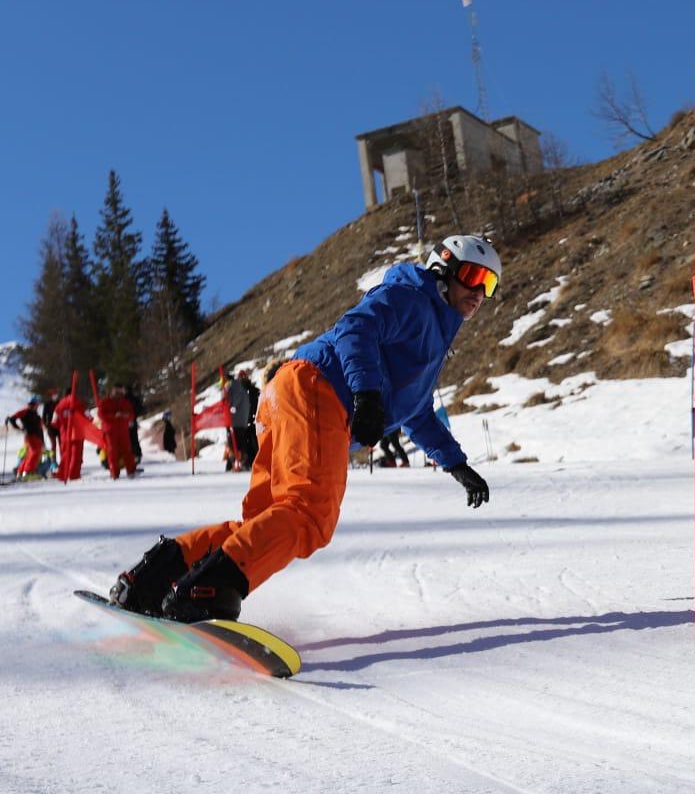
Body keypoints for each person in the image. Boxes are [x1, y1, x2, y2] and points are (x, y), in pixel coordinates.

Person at [107, 234, 502, 622]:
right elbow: (355, 328)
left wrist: (456, 465)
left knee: (266, 522)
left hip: (288, 395)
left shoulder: (433, 337)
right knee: (309, 514)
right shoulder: (413, 298)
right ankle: (206, 592)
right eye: (471, 275)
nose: (479, 292)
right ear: (443, 269)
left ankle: (156, 578)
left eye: (489, 284)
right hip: (320, 390)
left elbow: (416, 412)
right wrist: (365, 393)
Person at [98, 384, 137, 478]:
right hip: (110, 431)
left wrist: (125, 416)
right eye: (116, 392)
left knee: (127, 451)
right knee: (112, 452)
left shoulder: (125, 402)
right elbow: (101, 415)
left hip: (123, 430)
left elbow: (132, 415)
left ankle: (131, 471)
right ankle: (114, 473)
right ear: (111, 391)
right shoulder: (104, 402)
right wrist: (114, 416)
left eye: (120, 392)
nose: (118, 394)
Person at [227, 368, 261, 469]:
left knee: (252, 445)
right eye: (240, 377)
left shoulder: (254, 391)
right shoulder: (236, 392)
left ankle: (250, 464)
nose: (242, 378)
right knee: (238, 446)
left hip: (251, 423)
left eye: (243, 376)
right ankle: (237, 464)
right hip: (240, 424)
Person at [52, 385, 87, 482]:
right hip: (77, 433)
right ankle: (73, 475)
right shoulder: (79, 403)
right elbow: (88, 418)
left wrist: (63, 427)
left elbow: (54, 422)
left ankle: (63, 474)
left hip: (64, 434)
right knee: (76, 456)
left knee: (65, 455)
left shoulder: (59, 405)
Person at [8, 397, 47, 478]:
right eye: (32, 404)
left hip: (37, 437)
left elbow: (40, 430)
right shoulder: (25, 412)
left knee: (31, 454)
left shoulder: (37, 415)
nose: (34, 406)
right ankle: (28, 472)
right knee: (34, 453)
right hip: (30, 436)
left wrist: (42, 442)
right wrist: (19, 428)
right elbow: (12, 418)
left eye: (35, 404)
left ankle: (21, 472)